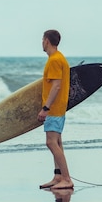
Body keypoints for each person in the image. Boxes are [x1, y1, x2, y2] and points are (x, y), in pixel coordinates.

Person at [38, 29, 73, 190]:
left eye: (42, 39)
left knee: (51, 142)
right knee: (57, 142)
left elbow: (56, 86)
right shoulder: (60, 59)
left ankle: (66, 178)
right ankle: (58, 176)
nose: (42, 43)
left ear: (47, 41)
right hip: (59, 108)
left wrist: (46, 108)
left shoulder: (54, 60)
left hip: (54, 109)